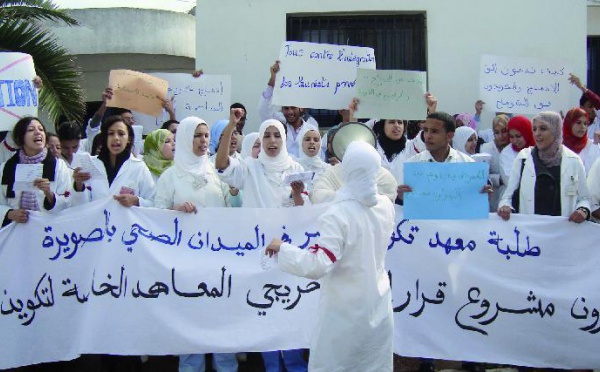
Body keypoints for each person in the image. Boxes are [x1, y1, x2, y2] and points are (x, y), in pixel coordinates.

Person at [265, 141, 395, 372]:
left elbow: (318, 265)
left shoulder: (338, 213)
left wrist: (283, 249)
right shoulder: (385, 205)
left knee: (336, 363)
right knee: (372, 362)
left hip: (343, 311)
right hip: (378, 304)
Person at [215, 109, 308, 371]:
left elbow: (305, 212)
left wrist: (298, 195)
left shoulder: (296, 168)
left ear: (283, 139)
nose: (271, 140)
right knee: (265, 311)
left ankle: (294, 364)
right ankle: (271, 366)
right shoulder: (250, 168)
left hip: (289, 250)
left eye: (276, 135)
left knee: (291, 309)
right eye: (266, 135)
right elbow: (221, 165)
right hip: (258, 252)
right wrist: (231, 127)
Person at [153, 116, 239, 372]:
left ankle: (226, 366)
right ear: (184, 138)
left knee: (221, 317)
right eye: (197, 135)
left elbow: (232, 208)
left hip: (218, 257)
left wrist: (236, 192)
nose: (203, 141)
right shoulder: (170, 176)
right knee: (190, 318)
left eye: (205, 136)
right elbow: (157, 213)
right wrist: (175, 210)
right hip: (185, 261)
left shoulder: (215, 170)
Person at [498, 111, 590, 222]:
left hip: (563, 233)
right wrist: (505, 206)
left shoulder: (574, 160)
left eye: (543, 129)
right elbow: (508, 196)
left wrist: (583, 210)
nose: (537, 134)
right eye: (534, 129)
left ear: (555, 131)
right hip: (531, 232)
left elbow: (584, 198)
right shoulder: (523, 159)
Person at [397, 112, 492, 204]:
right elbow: (401, 208)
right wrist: (401, 198)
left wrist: (482, 198)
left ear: (449, 136)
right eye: (426, 130)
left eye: (434, 131)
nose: (428, 136)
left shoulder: (469, 165)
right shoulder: (412, 165)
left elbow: (472, 205)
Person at [0, 117, 73, 227]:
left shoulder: (59, 166)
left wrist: (49, 194)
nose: (38, 132)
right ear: (20, 138)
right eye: (30, 130)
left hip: (48, 233)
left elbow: (68, 203)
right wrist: (10, 214)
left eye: (41, 129)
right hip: (15, 233)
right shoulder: (6, 167)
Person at [72, 115, 155, 208]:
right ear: (105, 138)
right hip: (97, 222)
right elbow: (79, 207)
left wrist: (136, 201)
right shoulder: (91, 164)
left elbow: (153, 202)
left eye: (121, 134)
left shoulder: (139, 167)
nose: (116, 138)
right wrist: (78, 185)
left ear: (129, 139)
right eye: (111, 133)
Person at [258, 60, 319, 158]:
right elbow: (263, 110)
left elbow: (317, 155)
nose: (290, 112)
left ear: (301, 108)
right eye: (286, 108)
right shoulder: (278, 124)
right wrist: (273, 80)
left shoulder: (311, 127)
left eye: (293, 108)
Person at [480, 114, 511, 211]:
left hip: (509, 198)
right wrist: (499, 179)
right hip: (493, 196)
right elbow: (483, 176)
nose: (501, 136)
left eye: (504, 131)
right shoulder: (486, 148)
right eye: (497, 132)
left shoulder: (514, 148)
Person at [562, 107, 600, 173]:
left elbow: (592, 172)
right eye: (578, 123)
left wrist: (595, 146)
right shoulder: (560, 147)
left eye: (585, 124)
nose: (582, 127)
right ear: (569, 124)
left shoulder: (593, 145)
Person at [499, 116, 535, 185]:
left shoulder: (538, 149)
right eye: (511, 137)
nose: (515, 140)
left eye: (518, 136)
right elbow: (509, 181)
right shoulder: (506, 153)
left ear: (527, 133)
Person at [372, 118, 409, 183]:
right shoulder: (371, 147)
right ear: (382, 126)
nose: (397, 125)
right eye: (392, 122)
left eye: (400, 122)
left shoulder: (411, 147)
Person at [296, 125, 330, 192]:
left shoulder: (327, 169)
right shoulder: (294, 167)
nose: (312, 142)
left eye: (316, 140)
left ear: (320, 145)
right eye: (307, 139)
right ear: (301, 143)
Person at [569, 73, 600, 141]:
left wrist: (582, 87)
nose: (593, 110)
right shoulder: (572, 125)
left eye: (595, 108)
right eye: (590, 106)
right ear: (581, 107)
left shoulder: (598, 123)